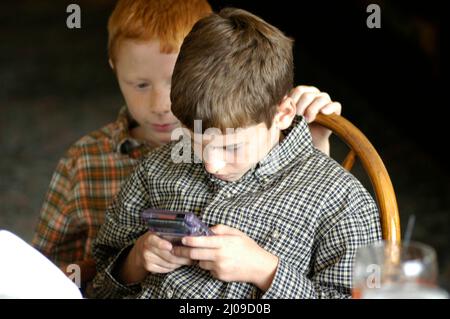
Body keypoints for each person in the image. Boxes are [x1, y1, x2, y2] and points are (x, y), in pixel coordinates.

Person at [32, 0, 341, 290]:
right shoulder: (87, 159)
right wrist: (126, 262)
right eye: (141, 84)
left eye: (174, 81)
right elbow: (47, 265)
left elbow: (307, 206)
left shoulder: (252, 146)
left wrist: (311, 139)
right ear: (114, 67)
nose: (160, 104)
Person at [91, 8, 381, 299]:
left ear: (283, 114)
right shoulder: (156, 168)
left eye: (231, 147)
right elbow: (96, 284)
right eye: (194, 140)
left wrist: (265, 271)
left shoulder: (339, 199)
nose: (211, 163)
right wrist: (136, 260)